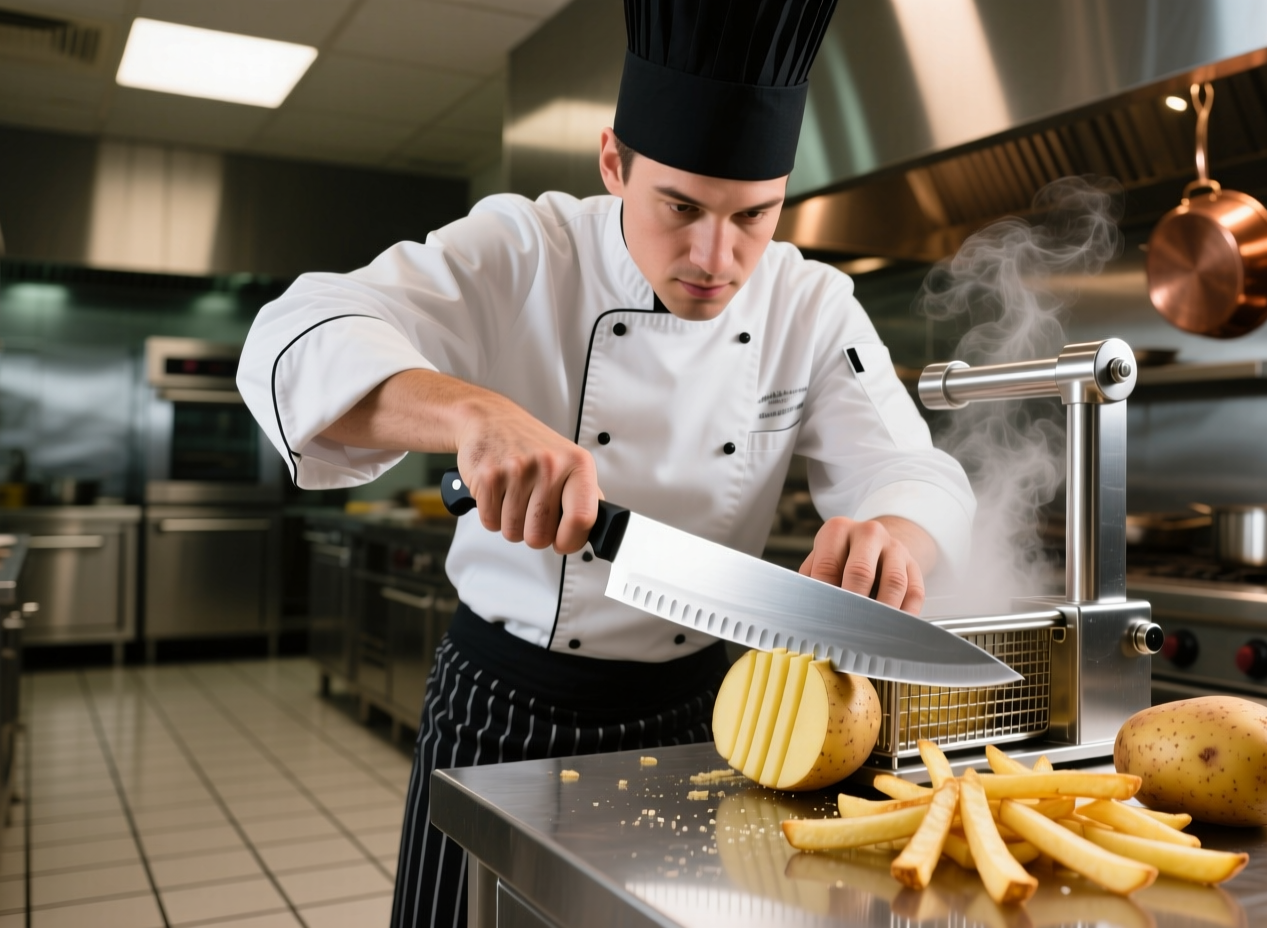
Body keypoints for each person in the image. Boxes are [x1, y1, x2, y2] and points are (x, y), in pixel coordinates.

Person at [237, 1, 973, 924]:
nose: (716, 257)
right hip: (504, 702)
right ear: (614, 163)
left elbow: (916, 471)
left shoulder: (811, 304)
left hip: (709, 717)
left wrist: (893, 534)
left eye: (755, 214)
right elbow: (294, 341)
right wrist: (473, 413)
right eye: (681, 207)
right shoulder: (522, 249)